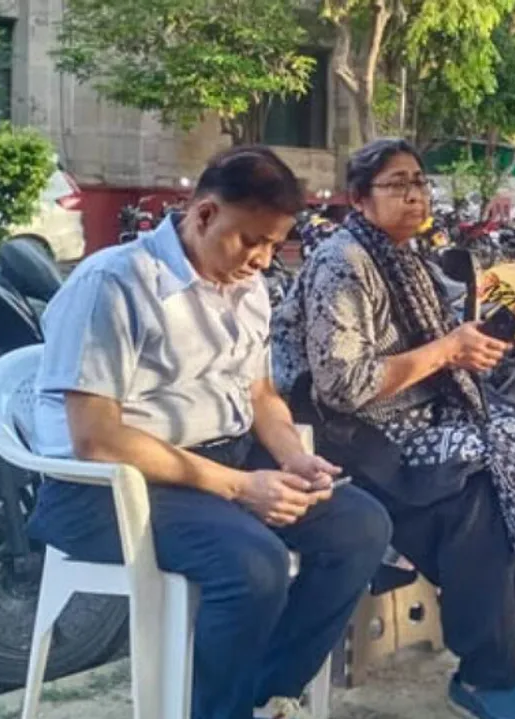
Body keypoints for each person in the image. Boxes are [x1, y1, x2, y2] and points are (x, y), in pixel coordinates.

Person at [27, 146, 392, 719]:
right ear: (202, 215)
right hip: (105, 488)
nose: (262, 259)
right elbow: (97, 438)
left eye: (274, 244)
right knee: (255, 564)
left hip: (215, 465)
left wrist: (293, 457)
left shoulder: (246, 288)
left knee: (361, 526)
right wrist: (242, 488)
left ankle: (266, 695)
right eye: (251, 240)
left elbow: (259, 394)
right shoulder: (115, 283)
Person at [271, 139, 515, 719]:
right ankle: (484, 676)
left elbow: (435, 352)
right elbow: (343, 386)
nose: (416, 194)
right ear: (358, 199)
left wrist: (465, 352)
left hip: (420, 412)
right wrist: (448, 351)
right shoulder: (344, 263)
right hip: (352, 432)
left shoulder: (408, 256)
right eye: (397, 184)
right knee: (475, 480)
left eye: (419, 181)